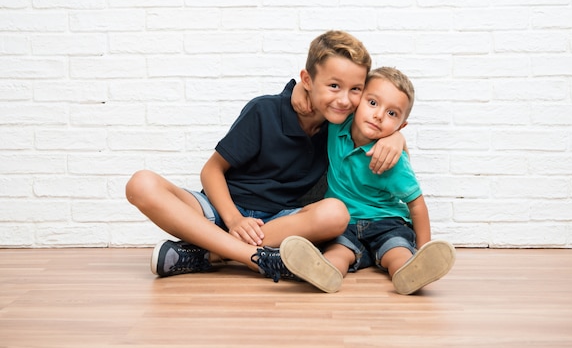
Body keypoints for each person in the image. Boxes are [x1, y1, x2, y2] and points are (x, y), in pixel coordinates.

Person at [125, 31, 406, 282]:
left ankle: (209, 255)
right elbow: (211, 171)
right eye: (334, 86)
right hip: (222, 210)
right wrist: (234, 220)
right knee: (141, 184)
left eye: (355, 89)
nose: (344, 100)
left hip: (276, 224)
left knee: (335, 214)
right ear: (307, 80)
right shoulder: (264, 110)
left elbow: (382, 118)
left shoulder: (342, 127)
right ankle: (256, 259)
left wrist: (397, 137)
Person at [279, 67, 456, 294]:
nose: (379, 115)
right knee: (338, 252)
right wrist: (298, 91)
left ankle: (413, 271)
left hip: (387, 222)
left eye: (392, 114)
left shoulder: (392, 160)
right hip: (345, 223)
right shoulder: (337, 126)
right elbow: (318, 94)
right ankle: (324, 271)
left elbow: (417, 204)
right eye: (372, 103)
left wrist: (423, 249)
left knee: (397, 251)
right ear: (357, 100)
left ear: (401, 126)